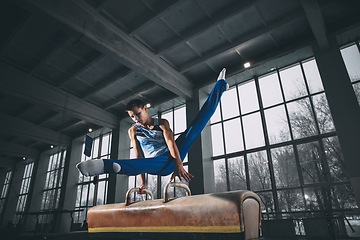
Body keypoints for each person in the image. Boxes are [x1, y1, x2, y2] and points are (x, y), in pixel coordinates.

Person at [77, 68, 228, 192]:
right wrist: (143, 183)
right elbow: (139, 157)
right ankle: (106, 165)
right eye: (132, 116)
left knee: (195, 127)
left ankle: (220, 85)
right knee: (142, 162)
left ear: (145, 109)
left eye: (138, 113)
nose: (135, 118)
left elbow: (170, 143)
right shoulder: (133, 131)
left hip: (174, 155)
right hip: (158, 164)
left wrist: (179, 164)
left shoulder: (162, 123)